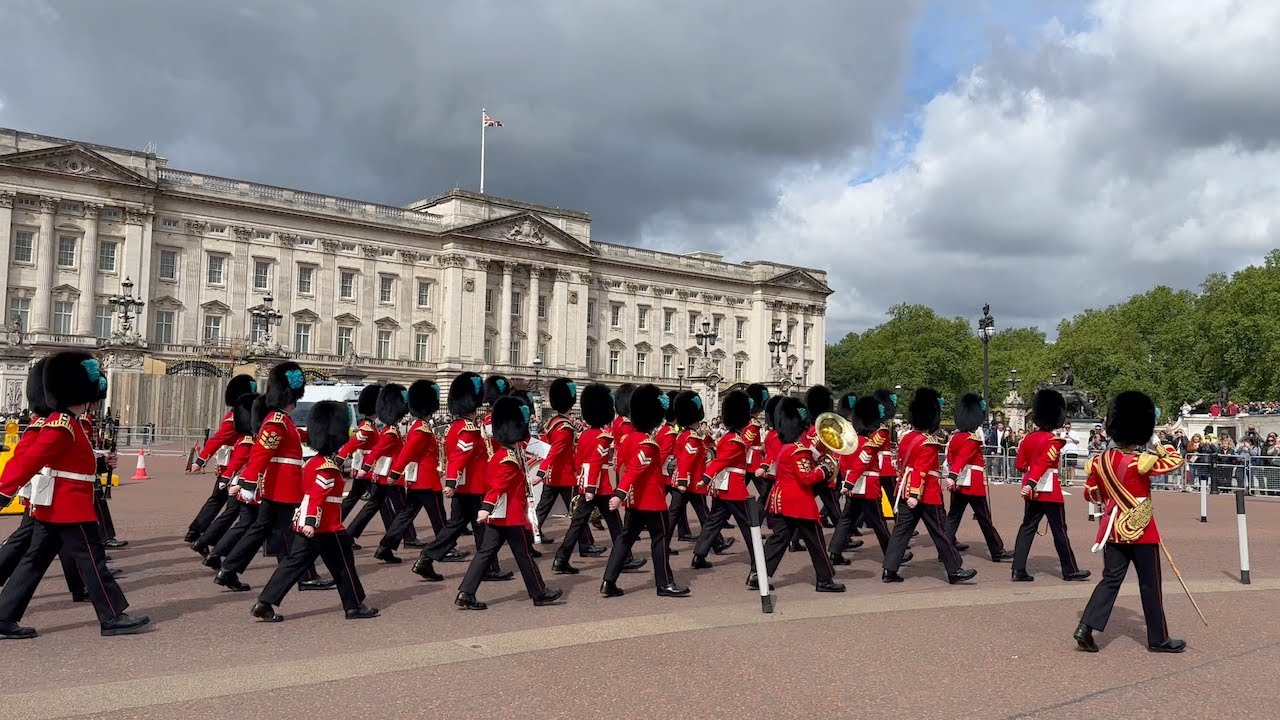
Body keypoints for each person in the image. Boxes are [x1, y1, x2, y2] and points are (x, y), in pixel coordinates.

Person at [0, 351, 149, 639]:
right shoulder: (61, 424)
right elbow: (30, 459)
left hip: (59, 506)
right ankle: (112, 616)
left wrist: (101, 462)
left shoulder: (70, 422)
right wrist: (5, 490)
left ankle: (4, 616)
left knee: (34, 561)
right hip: (69, 507)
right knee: (93, 560)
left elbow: (73, 462)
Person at [1075, 391, 1187, 653]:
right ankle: (1157, 639)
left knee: (1110, 581)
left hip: (1112, 530)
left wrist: (1109, 497)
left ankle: (1085, 627)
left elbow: (1089, 494)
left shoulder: (1098, 462)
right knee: (1150, 584)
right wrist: (1157, 441)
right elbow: (1176, 460)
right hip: (1142, 531)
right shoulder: (1142, 461)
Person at [251, 401, 379, 622]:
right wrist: (311, 522)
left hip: (314, 526)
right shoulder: (327, 468)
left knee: (293, 564)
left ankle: (265, 602)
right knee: (343, 564)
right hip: (326, 527)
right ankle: (354, 606)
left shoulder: (313, 463)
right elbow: (317, 496)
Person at [214, 361, 334, 593]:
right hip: (283, 486)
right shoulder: (277, 421)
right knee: (291, 533)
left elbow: (292, 438)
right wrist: (247, 484)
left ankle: (228, 570)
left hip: (278, 484)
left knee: (260, 529)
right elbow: (261, 453)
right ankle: (304, 576)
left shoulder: (283, 421)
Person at [455, 396, 563, 610]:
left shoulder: (502, 454)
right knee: (523, 556)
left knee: (486, 553)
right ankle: (539, 593)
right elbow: (498, 487)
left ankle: (466, 592)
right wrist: (485, 509)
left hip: (500, 515)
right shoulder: (508, 460)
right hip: (509, 515)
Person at [0, 358, 90, 601]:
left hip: (53, 492)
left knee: (48, 545)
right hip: (46, 492)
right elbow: (26, 458)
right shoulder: (48, 423)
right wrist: (6, 490)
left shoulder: (63, 421)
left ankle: (81, 585)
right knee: (31, 546)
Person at [412, 373, 510, 582]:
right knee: (484, 529)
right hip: (474, 487)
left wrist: (453, 482)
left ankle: (426, 559)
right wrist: (450, 482)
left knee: (455, 527)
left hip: (464, 487)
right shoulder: (469, 430)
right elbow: (459, 456)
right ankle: (489, 569)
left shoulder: (455, 427)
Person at [600, 384, 688, 598]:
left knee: (625, 538)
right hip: (651, 500)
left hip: (634, 500)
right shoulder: (648, 443)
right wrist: (619, 494)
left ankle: (608, 581)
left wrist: (623, 494)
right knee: (660, 539)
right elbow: (634, 470)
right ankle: (664, 583)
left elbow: (619, 465)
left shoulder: (628, 438)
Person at [881, 389, 976, 585]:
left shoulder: (906, 438)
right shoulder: (927, 443)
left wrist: (909, 492)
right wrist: (916, 494)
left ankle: (889, 569)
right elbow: (921, 470)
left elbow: (902, 464)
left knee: (901, 532)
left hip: (904, 488)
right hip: (926, 494)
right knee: (940, 532)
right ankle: (954, 570)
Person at [551, 383, 640, 575]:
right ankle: (624, 558)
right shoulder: (602, 437)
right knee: (615, 525)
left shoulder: (584, 435)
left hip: (589, 486)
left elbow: (578, 461)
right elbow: (595, 462)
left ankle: (561, 558)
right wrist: (591, 488)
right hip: (601, 488)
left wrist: (585, 485)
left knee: (579, 523)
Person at [759, 397, 845, 593]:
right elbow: (806, 478)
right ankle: (824, 579)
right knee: (816, 542)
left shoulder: (786, 449)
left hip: (782, 501)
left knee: (778, 540)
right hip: (798, 504)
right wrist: (824, 469)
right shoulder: (797, 451)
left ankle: (758, 574)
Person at [1011, 390, 1090, 582]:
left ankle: (1018, 568)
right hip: (1048, 491)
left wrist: (1030, 480)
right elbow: (1044, 463)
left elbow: (1020, 465)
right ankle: (1069, 570)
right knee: (1059, 531)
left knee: (1027, 528)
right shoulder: (1053, 441)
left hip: (1033, 492)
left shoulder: (1028, 439)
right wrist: (1032, 482)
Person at [375, 380, 457, 564]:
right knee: (438, 516)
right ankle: (446, 548)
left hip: (417, 479)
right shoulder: (421, 428)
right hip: (426, 479)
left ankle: (385, 547)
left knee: (406, 515)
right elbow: (407, 452)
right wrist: (395, 473)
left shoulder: (420, 426)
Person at [829, 395, 904, 565]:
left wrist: (848, 482)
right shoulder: (870, 440)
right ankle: (892, 555)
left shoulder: (855, 441)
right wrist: (849, 482)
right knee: (879, 523)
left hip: (854, 486)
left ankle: (835, 552)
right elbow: (864, 459)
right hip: (868, 486)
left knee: (847, 519)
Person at [185, 374, 257, 543]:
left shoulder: (240, 414)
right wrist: (200, 461)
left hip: (232, 464)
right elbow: (217, 439)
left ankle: (197, 532)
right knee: (225, 503)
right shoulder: (235, 417)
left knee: (219, 501)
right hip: (233, 466)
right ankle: (200, 534)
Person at [532, 378, 600, 556]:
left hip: (552, 475)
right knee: (579, 511)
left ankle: (529, 535)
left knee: (543, 509)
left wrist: (543, 471)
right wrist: (540, 472)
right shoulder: (565, 427)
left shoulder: (552, 422)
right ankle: (585, 545)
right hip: (564, 475)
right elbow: (555, 451)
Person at [690, 391, 756, 570]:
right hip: (733, 489)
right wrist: (705, 478)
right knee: (749, 525)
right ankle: (757, 560)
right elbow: (720, 461)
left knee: (713, 522)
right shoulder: (736, 441)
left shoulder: (728, 437)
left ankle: (699, 555)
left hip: (722, 486)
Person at [945, 393, 1014, 563]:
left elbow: (950, 458)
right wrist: (953, 475)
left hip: (959, 484)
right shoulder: (972, 439)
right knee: (984, 519)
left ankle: (944, 550)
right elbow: (962, 457)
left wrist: (954, 476)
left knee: (953, 518)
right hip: (972, 484)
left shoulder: (955, 438)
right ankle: (997, 551)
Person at [346, 384, 411, 542]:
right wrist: (364, 467)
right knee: (397, 507)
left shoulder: (382, 428)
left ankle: (350, 535)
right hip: (379, 472)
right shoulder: (379, 429)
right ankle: (400, 539)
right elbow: (372, 449)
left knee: (374, 504)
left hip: (377, 470)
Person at [337, 385, 381, 521]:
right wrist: (338, 460)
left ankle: (337, 524)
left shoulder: (370, 425)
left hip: (365, 467)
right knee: (377, 501)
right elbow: (352, 444)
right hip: (366, 468)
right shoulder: (367, 427)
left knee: (353, 498)